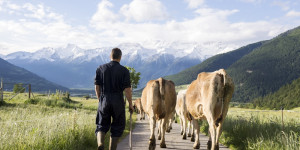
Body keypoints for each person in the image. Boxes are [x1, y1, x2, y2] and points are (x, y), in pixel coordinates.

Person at [94, 48, 134, 150]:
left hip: (104, 99)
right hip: (118, 100)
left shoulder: (100, 68)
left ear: (110, 56)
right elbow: (127, 89)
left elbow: (97, 86)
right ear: (120, 57)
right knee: (116, 127)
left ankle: (100, 144)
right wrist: (130, 103)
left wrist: (100, 99)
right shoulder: (124, 71)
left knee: (101, 125)